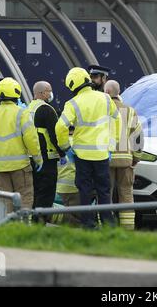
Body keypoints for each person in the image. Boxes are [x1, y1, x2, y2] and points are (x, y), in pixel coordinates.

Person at [55, 67, 121, 228]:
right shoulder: (105, 98)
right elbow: (117, 120)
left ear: (72, 85)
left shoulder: (72, 103)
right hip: (102, 154)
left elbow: (60, 127)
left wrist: (65, 148)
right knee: (104, 191)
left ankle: (88, 224)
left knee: (84, 190)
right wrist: (112, 145)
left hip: (81, 155)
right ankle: (107, 223)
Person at [0, 77, 43, 213]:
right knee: (24, 198)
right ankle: (22, 228)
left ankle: (9, 228)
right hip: (21, 167)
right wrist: (37, 159)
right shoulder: (22, 113)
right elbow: (31, 138)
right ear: (17, 93)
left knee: (5, 201)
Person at [104, 80, 143, 230]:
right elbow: (138, 137)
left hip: (105, 160)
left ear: (106, 93)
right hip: (126, 161)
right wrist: (136, 157)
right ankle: (128, 228)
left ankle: (107, 227)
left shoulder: (101, 110)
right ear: (118, 93)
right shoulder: (130, 111)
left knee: (106, 195)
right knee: (126, 194)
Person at [28, 81, 65, 222]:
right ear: (42, 93)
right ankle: (41, 223)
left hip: (32, 157)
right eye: (49, 91)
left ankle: (33, 221)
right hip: (47, 158)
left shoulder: (29, 108)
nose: (51, 94)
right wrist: (62, 153)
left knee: (35, 192)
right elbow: (55, 134)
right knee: (46, 193)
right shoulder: (47, 109)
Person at [56, 126, 81, 226]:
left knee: (70, 214)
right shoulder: (78, 143)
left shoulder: (60, 143)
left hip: (61, 188)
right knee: (77, 219)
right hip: (74, 187)